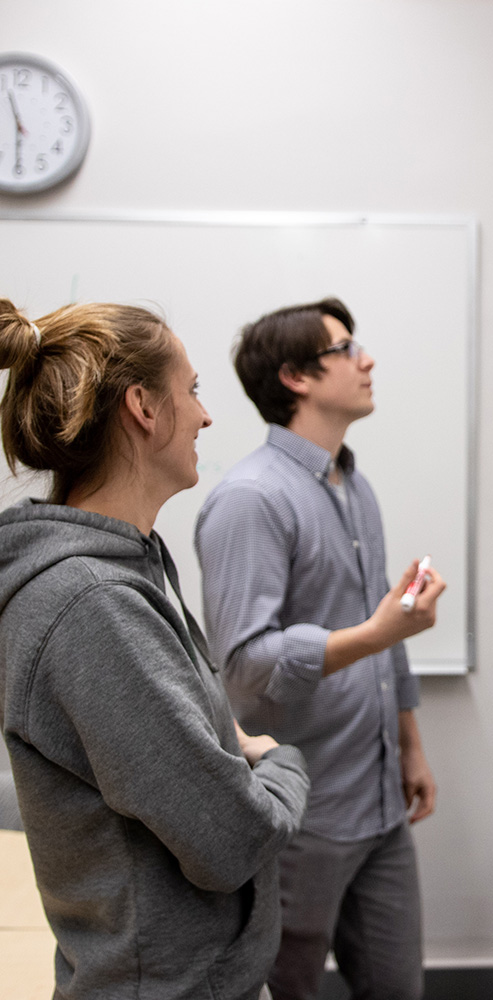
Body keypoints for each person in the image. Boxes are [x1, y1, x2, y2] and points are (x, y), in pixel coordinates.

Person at [0, 299, 311, 1000]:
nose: (204, 416)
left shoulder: (127, 569)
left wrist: (231, 756)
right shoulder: (92, 606)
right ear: (142, 406)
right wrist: (280, 760)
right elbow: (229, 838)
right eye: (192, 390)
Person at [195, 297, 445, 1000]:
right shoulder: (249, 498)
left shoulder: (353, 485)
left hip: (379, 797)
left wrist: (410, 744)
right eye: (346, 348)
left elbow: (383, 629)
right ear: (296, 377)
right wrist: (373, 634)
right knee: (285, 989)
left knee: (398, 989)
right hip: (303, 817)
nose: (366, 361)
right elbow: (245, 665)